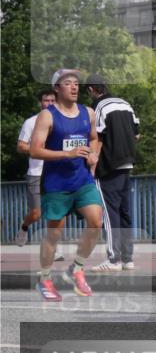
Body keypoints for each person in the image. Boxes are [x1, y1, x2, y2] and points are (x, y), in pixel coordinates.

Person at [28, 69, 104, 302]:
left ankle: (77, 268)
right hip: (56, 184)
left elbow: (94, 138)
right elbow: (35, 150)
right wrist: (67, 153)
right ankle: (45, 278)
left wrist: (93, 154)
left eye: (76, 83)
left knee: (96, 221)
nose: (74, 87)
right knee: (54, 234)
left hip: (82, 180)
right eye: (68, 83)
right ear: (56, 88)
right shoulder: (47, 116)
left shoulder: (88, 112)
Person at [86, 75, 140, 272]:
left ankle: (113, 258)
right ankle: (127, 258)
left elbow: (98, 138)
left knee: (110, 213)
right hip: (127, 163)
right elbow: (137, 134)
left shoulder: (97, 107)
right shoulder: (125, 104)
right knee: (124, 212)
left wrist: (92, 167)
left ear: (91, 89)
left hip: (108, 165)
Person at [15, 90, 57, 247]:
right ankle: (24, 226)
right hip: (36, 173)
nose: (50, 103)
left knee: (56, 213)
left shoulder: (62, 122)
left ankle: (52, 247)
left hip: (56, 173)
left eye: (53, 100)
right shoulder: (31, 122)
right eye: (46, 100)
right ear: (40, 103)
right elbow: (20, 146)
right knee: (36, 213)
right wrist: (38, 149)